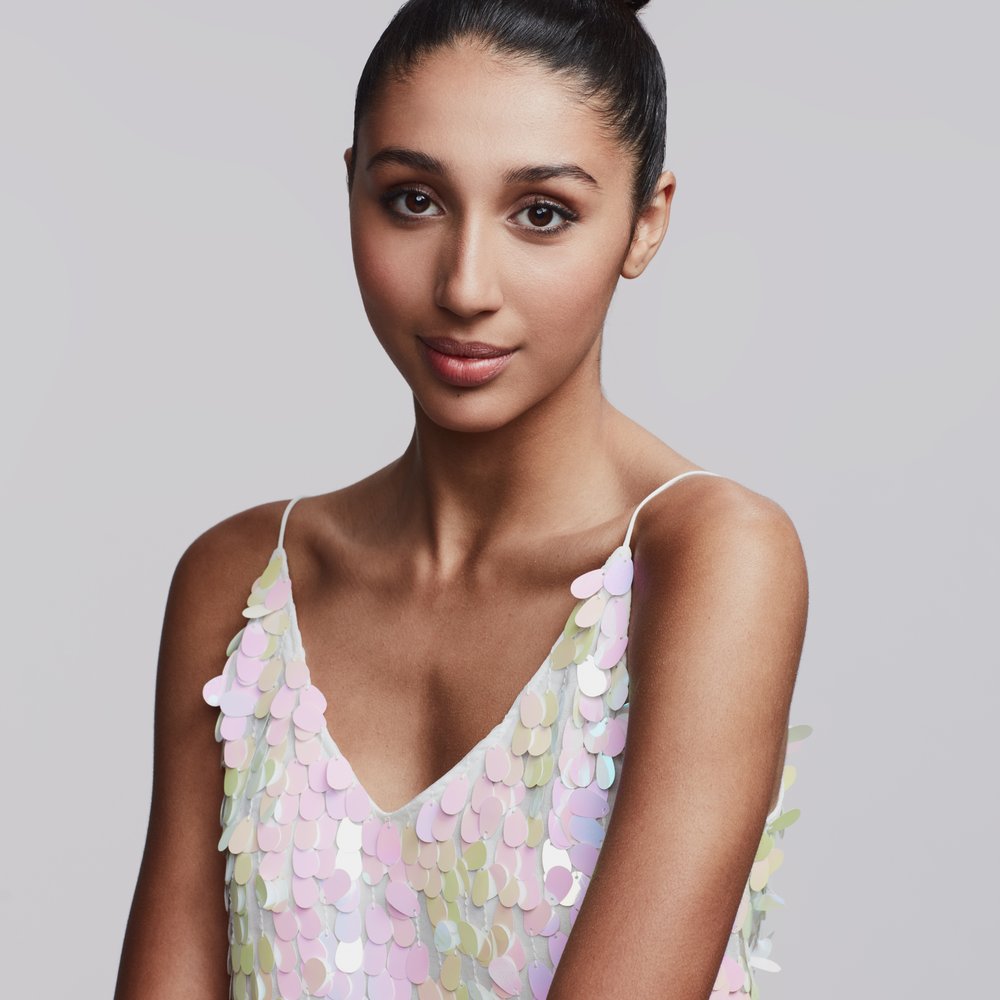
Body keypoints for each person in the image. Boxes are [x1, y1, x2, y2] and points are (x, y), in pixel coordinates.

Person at [115, 1, 810, 997]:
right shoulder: (240, 581)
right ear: (351, 187)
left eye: (542, 213)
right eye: (414, 200)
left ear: (645, 221)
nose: (465, 285)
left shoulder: (710, 558)